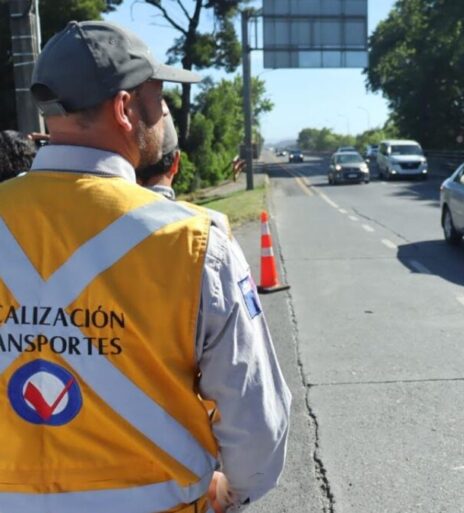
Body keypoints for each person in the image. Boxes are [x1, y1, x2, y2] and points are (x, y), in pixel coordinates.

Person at [0, 20, 291, 513]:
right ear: (124, 108)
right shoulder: (194, 241)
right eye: (160, 100)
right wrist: (234, 491)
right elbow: (257, 424)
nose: (165, 115)